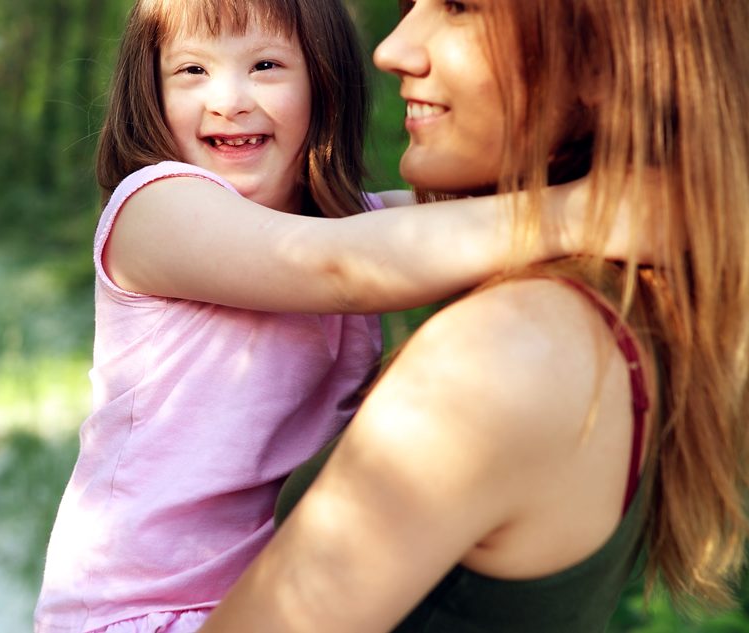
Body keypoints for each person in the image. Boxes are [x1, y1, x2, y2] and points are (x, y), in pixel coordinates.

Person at [33, 1, 646, 632]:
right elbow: (340, 267)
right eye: (192, 71)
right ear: (149, 94)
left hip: (275, 595)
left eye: (266, 65)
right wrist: (592, 211)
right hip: (140, 611)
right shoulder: (155, 209)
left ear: (324, 84)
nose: (228, 100)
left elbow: (459, 221)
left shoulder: (352, 225)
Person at [200, 0, 749, 631]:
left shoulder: (504, 353)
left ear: (605, 61)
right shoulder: (612, 315)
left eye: (462, 7)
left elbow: (332, 261)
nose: (392, 49)